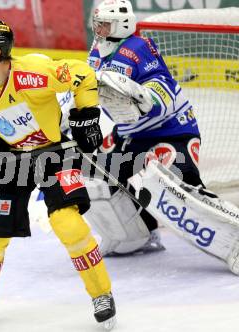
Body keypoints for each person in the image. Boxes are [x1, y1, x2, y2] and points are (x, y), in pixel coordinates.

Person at [0, 18, 117, 330]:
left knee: (68, 222)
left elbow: (83, 74)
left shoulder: (34, 72)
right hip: (9, 158)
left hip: (54, 152)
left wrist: (86, 115)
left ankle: (101, 294)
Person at [83, 0, 204, 256]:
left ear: (121, 24)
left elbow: (162, 84)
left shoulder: (138, 47)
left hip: (171, 130)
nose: (99, 28)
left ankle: (223, 226)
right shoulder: (97, 50)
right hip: (132, 134)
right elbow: (88, 87)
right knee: (98, 175)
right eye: (98, 23)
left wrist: (147, 98)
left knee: (183, 186)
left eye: (104, 23)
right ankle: (139, 234)